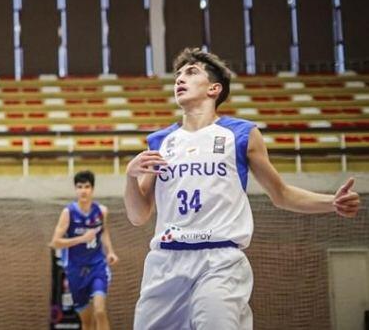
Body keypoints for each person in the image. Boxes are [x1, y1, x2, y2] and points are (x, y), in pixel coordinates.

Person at [125, 47, 361, 329]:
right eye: (178, 75)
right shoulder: (160, 141)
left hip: (219, 261)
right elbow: (138, 215)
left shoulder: (241, 134)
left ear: (214, 89)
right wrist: (130, 177)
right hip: (165, 260)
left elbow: (282, 194)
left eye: (191, 72)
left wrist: (331, 202)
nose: (179, 79)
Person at [48, 170, 118, 330]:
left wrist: (110, 251)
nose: (83, 191)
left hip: (97, 266)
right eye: (79, 187)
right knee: (87, 323)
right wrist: (81, 239)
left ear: (92, 189)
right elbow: (55, 242)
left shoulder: (101, 211)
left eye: (86, 187)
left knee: (100, 311)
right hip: (76, 270)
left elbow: (104, 232)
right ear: (75, 189)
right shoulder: (68, 213)